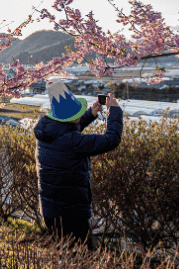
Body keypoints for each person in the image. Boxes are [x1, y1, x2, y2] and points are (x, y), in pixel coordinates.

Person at [34, 81, 123, 247]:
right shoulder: (72, 141)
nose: (80, 114)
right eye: (78, 113)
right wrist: (115, 111)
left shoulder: (48, 131)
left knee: (63, 253)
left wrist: (91, 114)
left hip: (49, 211)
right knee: (81, 256)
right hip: (71, 214)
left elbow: (67, 134)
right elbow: (111, 140)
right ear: (69, 118)